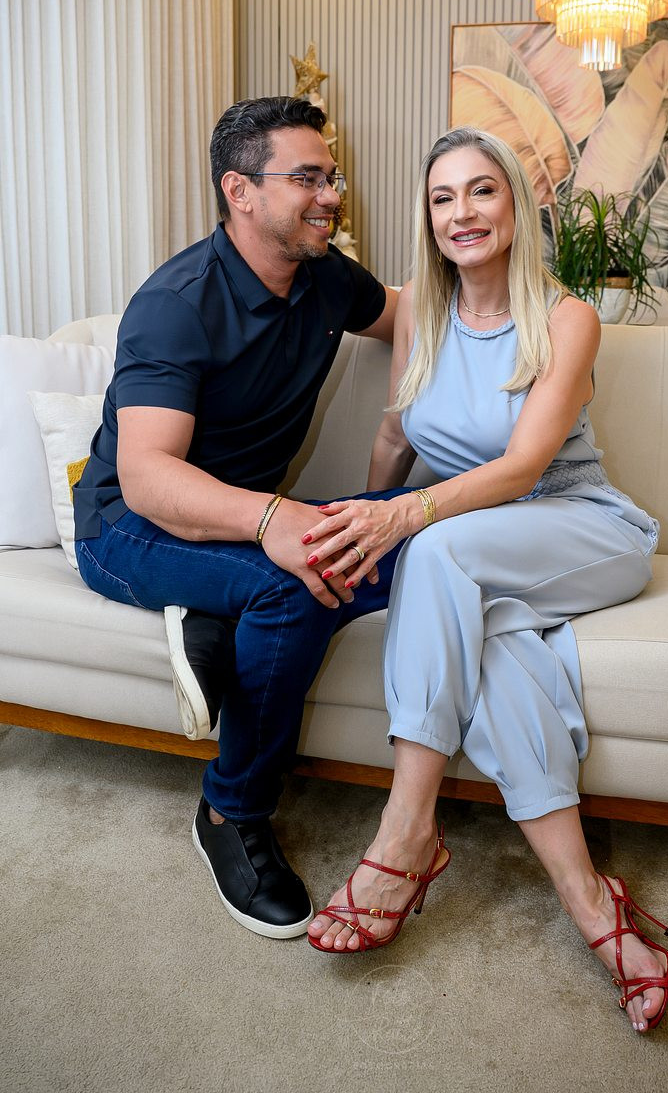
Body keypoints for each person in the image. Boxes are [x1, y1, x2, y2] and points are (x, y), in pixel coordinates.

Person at [304, 128, 668, 1034]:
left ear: (515, 205)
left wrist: (403, 521)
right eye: (443, 197)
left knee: (437, 551)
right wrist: (367, 523)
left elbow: (522, 468)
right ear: (427, 218)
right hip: (480, 542)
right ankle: (593, 904)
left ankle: (406, 834)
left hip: (581, 525)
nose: (461, 212)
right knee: (499, 654)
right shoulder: (419, 317)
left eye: (481, 191)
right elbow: (395, 435)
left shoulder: (566, 319)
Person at [73, 96, 405, 941]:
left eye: (332, 176)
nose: (332, 195)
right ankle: (231, 812)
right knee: (297, 583)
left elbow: (411, 316)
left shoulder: (329, 278)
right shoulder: (175, 302)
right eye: (308, 178)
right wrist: (274, 522)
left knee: (412, 530)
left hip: (240, 524)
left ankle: (213, 616)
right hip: (128, 528)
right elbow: (148, 477)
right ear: (240, 190)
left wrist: (405, 416)